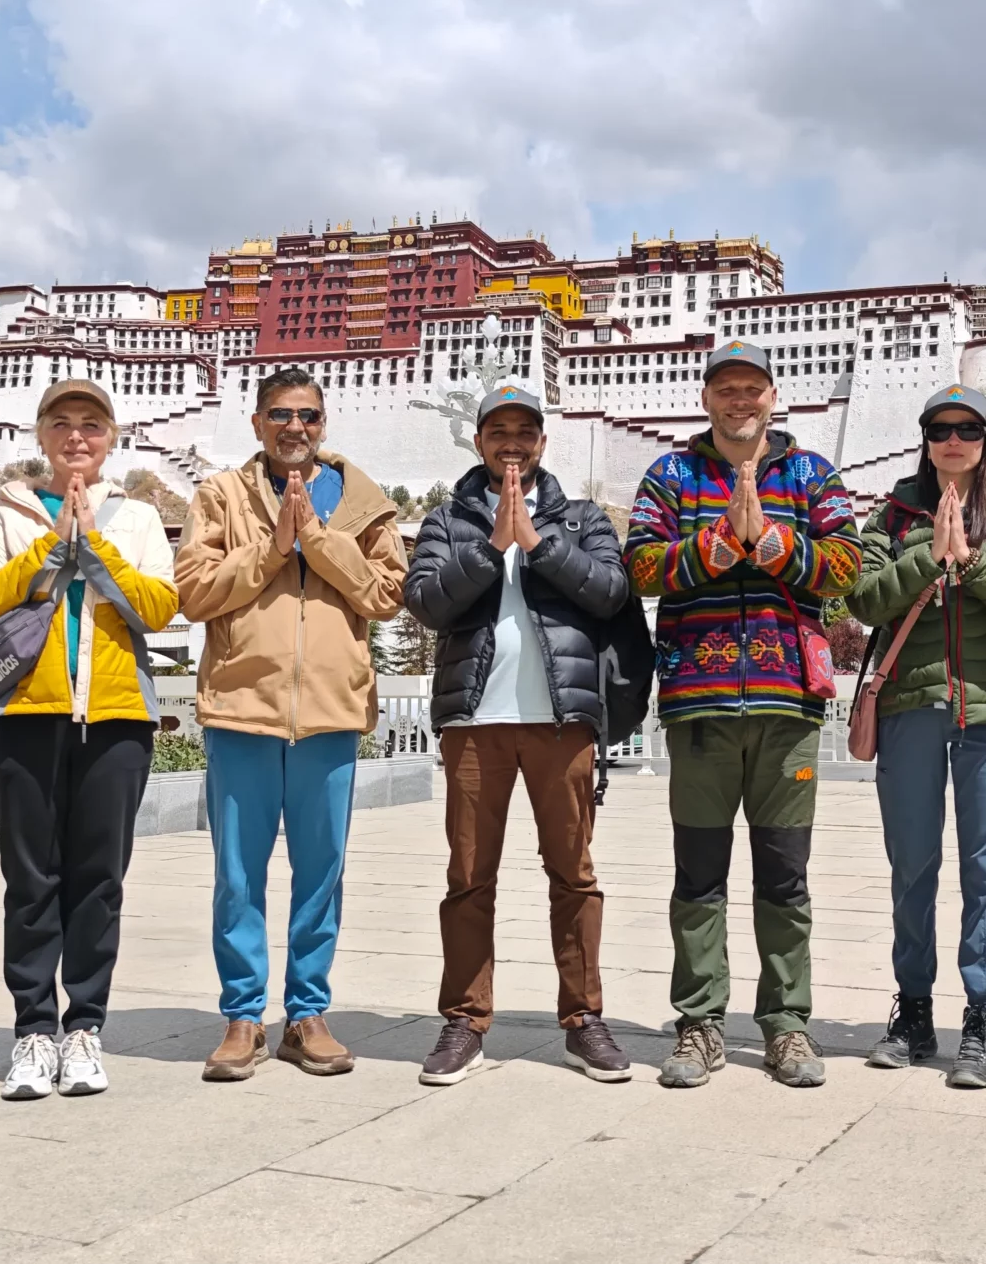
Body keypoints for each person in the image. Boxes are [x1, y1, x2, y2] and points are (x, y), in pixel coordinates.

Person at [625, 340, 862, 1089]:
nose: (740, 400)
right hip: (698, 705)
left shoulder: (813, 474)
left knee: (785, 874)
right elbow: (638, 566)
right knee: (698, 874)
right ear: (706, 398)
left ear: (772, 395)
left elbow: (849, 566)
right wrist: (720, 544)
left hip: (788, 703)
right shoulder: (670, 475)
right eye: (726, 388)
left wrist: (773, 542)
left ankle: (787, 1023)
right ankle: (699, 1021)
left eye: (752, 388)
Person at [176, 365, 406, 1081]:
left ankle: (307, 1013)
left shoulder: (364, 501)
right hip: (242, 707)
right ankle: (243, 1016)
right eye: (280, 415)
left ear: (324, 422)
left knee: (321, 872)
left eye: (307, 415)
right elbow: (193, 591)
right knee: (238, 874)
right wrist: (272, 548)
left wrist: (320, 540)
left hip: (332, 711)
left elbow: (388, 596)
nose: (294, 429)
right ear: (256, 424)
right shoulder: (220, 495)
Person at [403, 384, 635, 1086]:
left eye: (524, 431)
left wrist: (536, 544)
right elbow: (425, 602)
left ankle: (584, 1018)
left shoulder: (583, 516)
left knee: (574, 875)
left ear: (542, 441)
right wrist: (490, 548)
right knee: (469, 878)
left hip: (561, 722)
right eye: (497, 431)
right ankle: (465, 1021)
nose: (511, 443)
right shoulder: (446, 520)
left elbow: (611, 592)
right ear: (478, 441)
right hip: (475, 724)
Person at [0, 379, 180, 1101]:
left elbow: (158, 607)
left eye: (91, 424)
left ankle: (84, 1027)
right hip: (27, 711)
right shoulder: (9, 511)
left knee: (99, 881)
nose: (77, 437)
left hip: (117, 715)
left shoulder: (140, 516)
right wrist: (52, 550)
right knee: (30, 881)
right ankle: (33, 1030)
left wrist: (99, 553)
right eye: (63, 424)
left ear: (112, 435)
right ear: (41, 434)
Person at [848, 385, 986, 1089]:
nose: (954, 440)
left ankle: (982, 1017)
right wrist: (926, 559)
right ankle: (912, 1011)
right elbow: (864, 599)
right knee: (913, 866)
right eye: (941, 429)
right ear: (926, 439)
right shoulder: (895, 513)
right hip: (911, 707)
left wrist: (972, 561)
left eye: (968, 429)